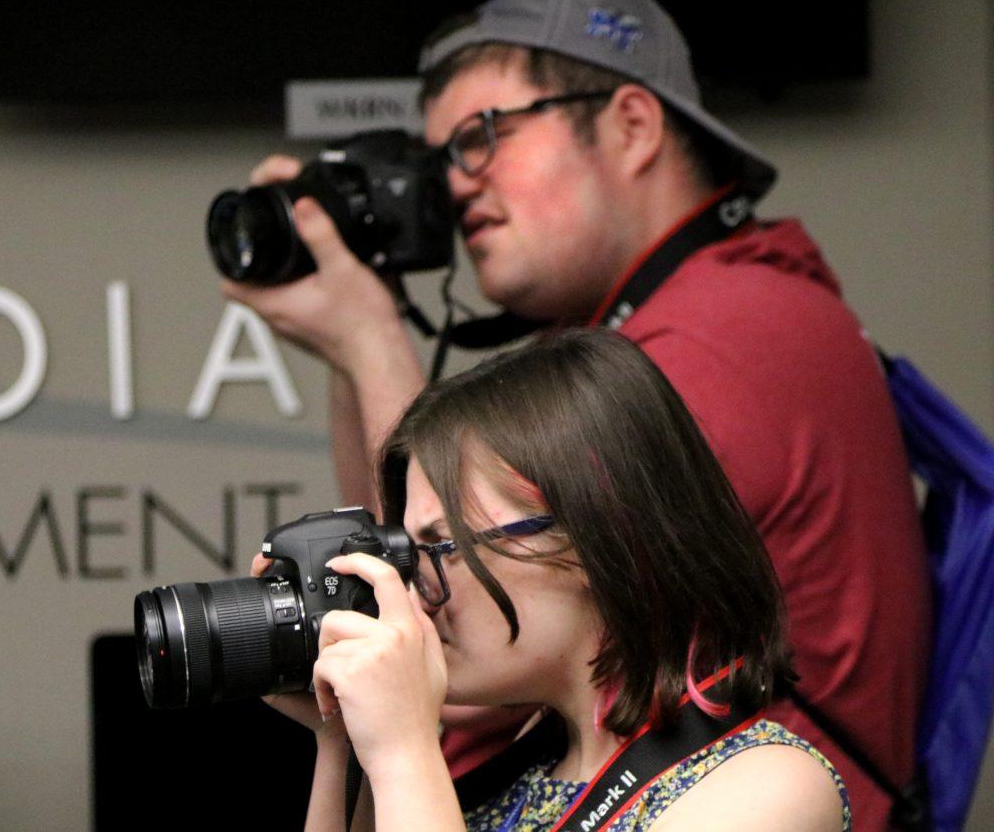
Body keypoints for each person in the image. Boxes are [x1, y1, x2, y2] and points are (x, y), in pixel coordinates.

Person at [224, 0, 930, 827]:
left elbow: (458, 706)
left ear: (632, 125)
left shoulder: (726, 333)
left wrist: (374, 340)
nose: (455, 183)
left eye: (483, 136)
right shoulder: (715, 313)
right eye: (443, 155)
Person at [260, 328, 850, 831]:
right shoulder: (520, 776)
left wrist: (401, 751)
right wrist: (345, 742)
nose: (413, 594)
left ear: (600, 541)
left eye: (442, 545)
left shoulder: (771, 786)